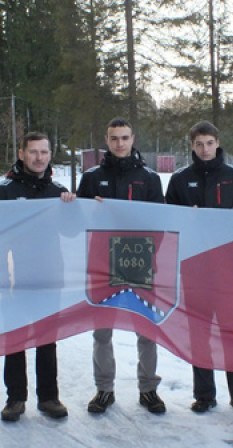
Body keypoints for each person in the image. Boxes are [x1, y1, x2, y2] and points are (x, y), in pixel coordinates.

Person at [165, 120, 233, 417]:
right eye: (198, 144)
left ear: (217, 143)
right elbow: (168, 220)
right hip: (195, 267)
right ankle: (204, 395)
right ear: (191, 146)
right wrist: (185, 218)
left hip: (230, 268)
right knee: (200, 332)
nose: (204, 149)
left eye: (209, 143)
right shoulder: (180, 179)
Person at [77, 117, 167, 415]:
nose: (119, 143)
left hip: (140, 261)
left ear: (132, 139)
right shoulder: (91, 178)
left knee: (146, 328)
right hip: (103, 262)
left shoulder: (150, 178)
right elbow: (79, 221)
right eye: (114, 138)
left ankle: (148, 389)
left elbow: (161, 224)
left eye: (124, 138)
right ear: (107, 139)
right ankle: (104, 389)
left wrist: (151, 255)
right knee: (102, 330)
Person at [0, 131, 75, 422]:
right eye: (33, 152)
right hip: (13, 277)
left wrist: (72, 208)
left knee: (46, 339)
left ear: (50, 155)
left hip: (50, 276)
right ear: (22, 153)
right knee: (14, 339)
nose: (39, 158)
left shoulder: (58, 192)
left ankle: (49, 397)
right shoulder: (3, 191)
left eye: (44, 152)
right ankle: (15, 398)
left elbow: (74, 232)